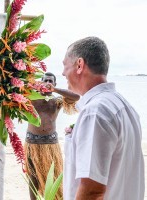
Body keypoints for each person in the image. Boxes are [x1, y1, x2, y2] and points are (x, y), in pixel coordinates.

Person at [62, 36, 145, 199]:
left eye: (65, 65)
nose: (63, 73)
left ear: (80, 65)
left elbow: (92, 191)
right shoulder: (124, 106)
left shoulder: (95, 112)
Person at [24, 72, 80, 200]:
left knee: (55, 177)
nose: (48, 83)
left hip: (51, 145)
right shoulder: (30, 98)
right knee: (33, 178)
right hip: (32, 143)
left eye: (51, 81)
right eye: (45, 81)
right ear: (41, 82)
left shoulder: (57, 101)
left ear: (54, 84)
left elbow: (76, 97)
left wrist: (54, 90)